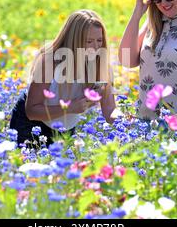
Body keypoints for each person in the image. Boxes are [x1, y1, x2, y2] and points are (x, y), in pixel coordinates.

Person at [10, 10, 120, 146]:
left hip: (65, 130)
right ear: (74, 40)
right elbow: (31, 111)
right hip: (31, 125)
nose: (96, 47)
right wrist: (69, 108)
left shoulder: (100, 65)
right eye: (89, 41)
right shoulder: (49, 61)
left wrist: (126, 119)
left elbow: (109, 111)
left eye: (99, 40)